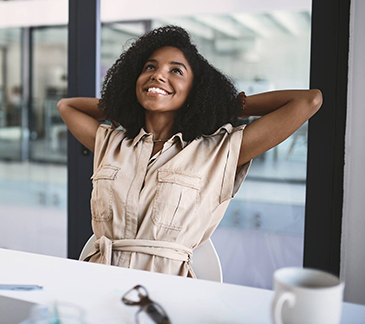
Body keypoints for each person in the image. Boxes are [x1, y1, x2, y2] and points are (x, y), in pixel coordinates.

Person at [57, 25, 322, 277]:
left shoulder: (217, 152)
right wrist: (124, 101)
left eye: (176, 71)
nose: (158, 75)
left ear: (196, 90)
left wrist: (227, 105)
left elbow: (308, 100)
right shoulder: (112, 143)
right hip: (98, 280)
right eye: (150, 67)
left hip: (167, 294)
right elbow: (66, 106)